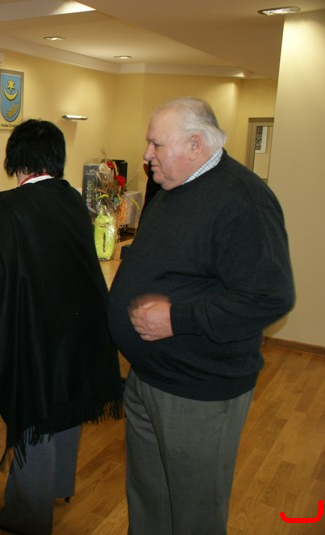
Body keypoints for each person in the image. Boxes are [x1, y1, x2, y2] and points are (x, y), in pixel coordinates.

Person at [108, 97, 295, 535]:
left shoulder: (243, 200)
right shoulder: (170, 189)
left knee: (194, 514)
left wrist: (178, 319)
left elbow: (270, 296)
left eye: (156, 144)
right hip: (148, 379)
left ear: (195, 145)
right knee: (148, 502)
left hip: (198, 392)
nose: (147, 154)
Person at [0, 119, 124, 535]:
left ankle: (27, 518)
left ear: (16, 159)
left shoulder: (7, 206)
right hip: (80, 326)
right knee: (64, 404)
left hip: (36, 331)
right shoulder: (72, 198)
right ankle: (58, 486)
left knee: (33, 416)